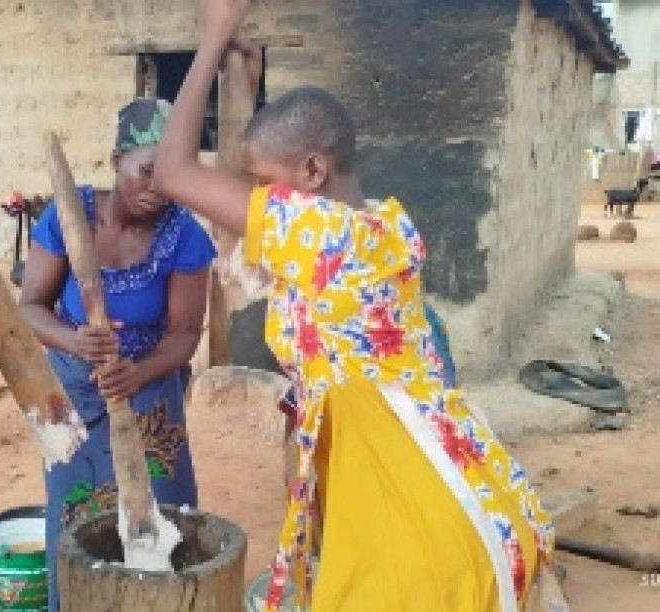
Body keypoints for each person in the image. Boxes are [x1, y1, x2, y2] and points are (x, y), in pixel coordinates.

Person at [153, 2, 558, 610]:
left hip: (385, 456)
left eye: (266, 184)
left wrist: (212, 38)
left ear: (312, 170)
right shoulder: (382, 223)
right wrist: (245, 78)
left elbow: (173, 170)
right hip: (432, 437)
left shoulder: (316, 231)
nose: (255, 198)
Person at [19, 98, 216, 611]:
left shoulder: (185, 236)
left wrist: (141, 372)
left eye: (170, 176)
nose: (158, 188)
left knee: (163, 509)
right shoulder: (68, 217)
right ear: (115, 161)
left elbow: (186, 333)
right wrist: (74, 340)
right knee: (75, 514)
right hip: (74, 390)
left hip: (149, 390)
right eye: (147, 172)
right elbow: (31, 308)